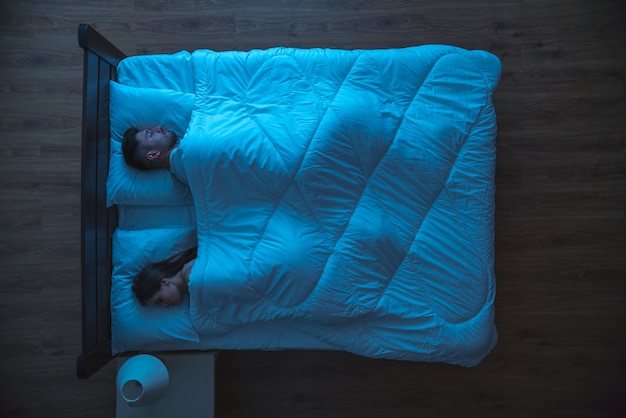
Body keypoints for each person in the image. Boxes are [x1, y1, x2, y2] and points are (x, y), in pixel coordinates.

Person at [132, 247, 197, 307]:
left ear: (164, 282)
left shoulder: (191, 277)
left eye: (160, 300)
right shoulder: (191, 294)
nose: (165, 306)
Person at [122, 125, 188, 184]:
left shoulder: (182, 177)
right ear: (153, 154)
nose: (158, 127)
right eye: (150, 134)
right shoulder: (189, 151)